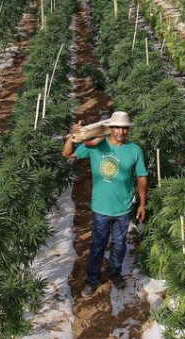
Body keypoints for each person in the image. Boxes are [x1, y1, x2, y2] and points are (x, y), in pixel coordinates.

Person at [63, 111, 148, 297]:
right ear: (110, 128)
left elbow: (142, 177)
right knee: (98, 245)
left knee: (119, 243)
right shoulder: (96, 146)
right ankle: (92, 279)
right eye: (117, 127)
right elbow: (67, 153)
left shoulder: (134, 150)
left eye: (125, 128)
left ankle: (114, 272)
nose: (121, 131)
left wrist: (142, 204)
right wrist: (72, 136)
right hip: (101, 207)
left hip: (123, 208)